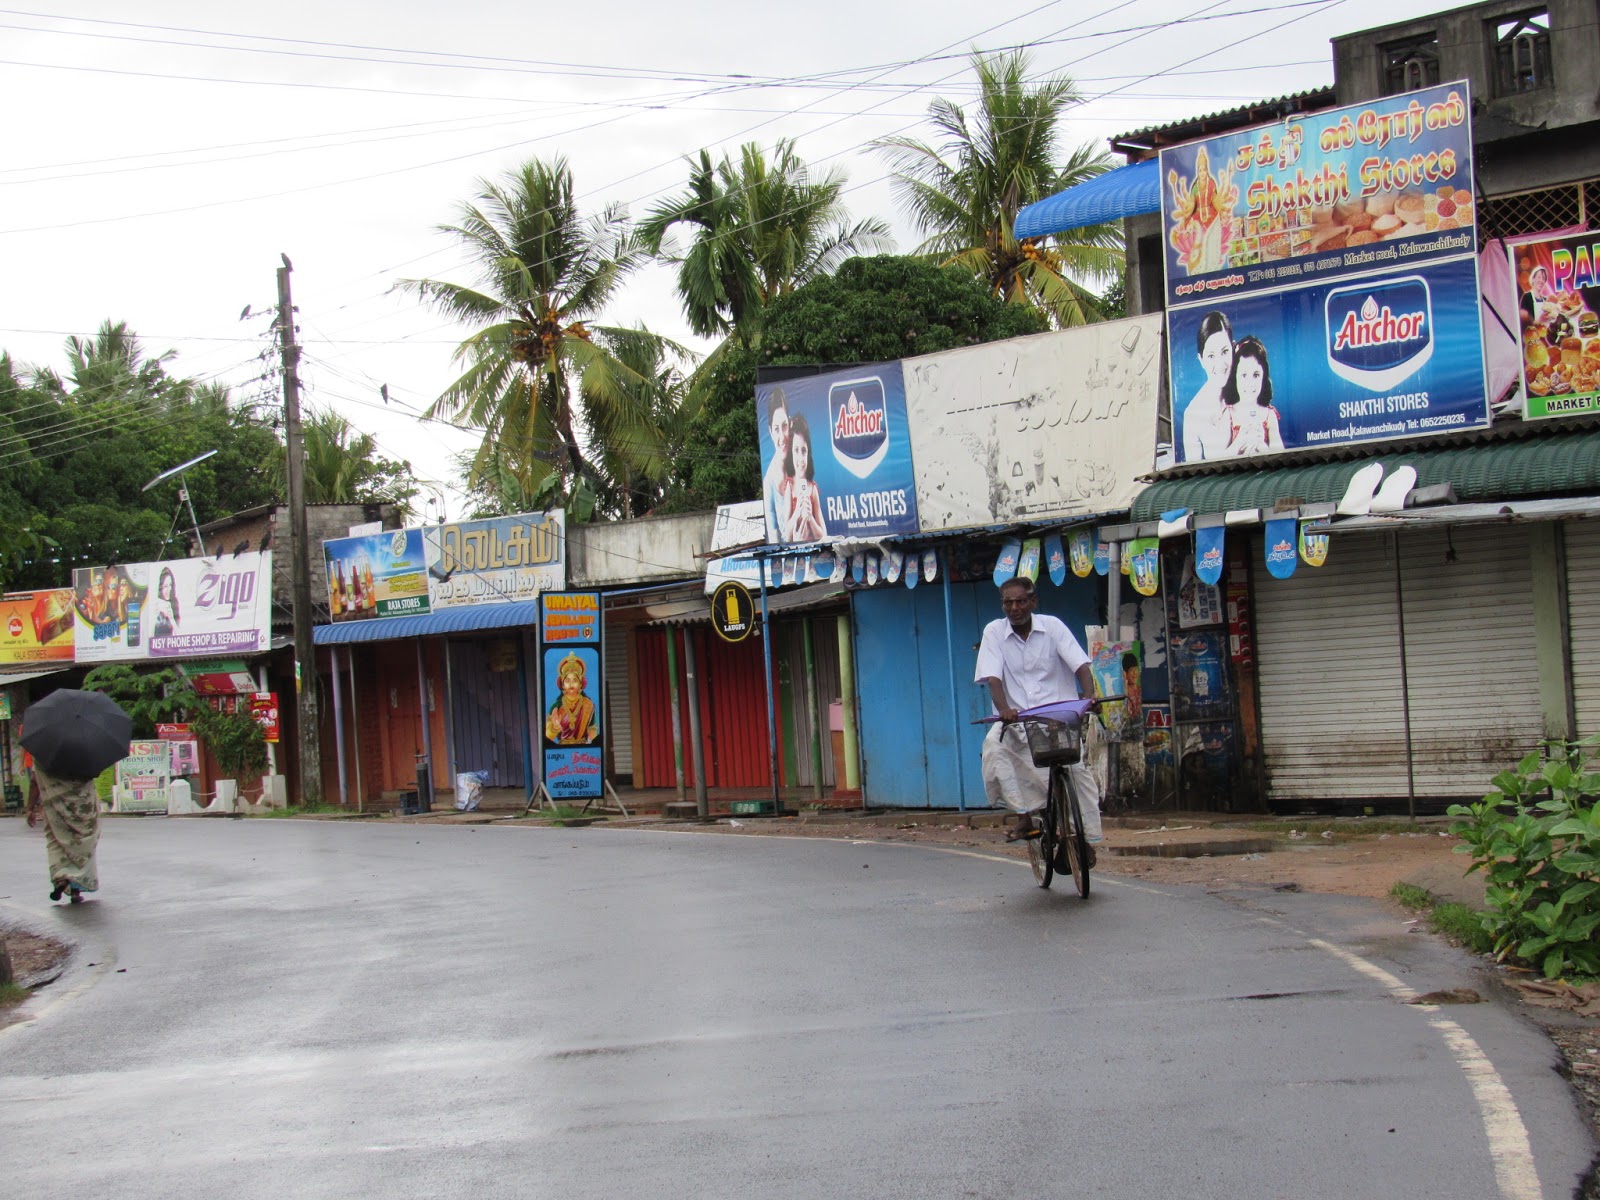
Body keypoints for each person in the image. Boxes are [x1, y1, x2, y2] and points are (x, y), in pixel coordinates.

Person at [975, 577, 1103, 851]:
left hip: (1059, 718)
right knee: (994, 748)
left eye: (1021, 601)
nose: (1014, 608)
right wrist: (1004, 710)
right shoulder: (994, 632)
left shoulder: (1053, 626)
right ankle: (1024, 816)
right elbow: (993, 679)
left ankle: (1084, 839)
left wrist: (1089, 696)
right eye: (1008, 603)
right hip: (1018, 720)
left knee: (1077, 774)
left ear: (1033, 602)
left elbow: (1081, 666)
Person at [25, 761, 101, 902]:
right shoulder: (84, 754)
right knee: (83, 844)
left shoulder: (43, 756)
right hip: (82, 807)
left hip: (54, 808)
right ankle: (75, 891)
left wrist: (30, 808)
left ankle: (61, 879)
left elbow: (34, 781)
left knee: (56, 842)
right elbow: (94, 773)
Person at [1181, 310, 1235, 462]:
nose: (1220, 364)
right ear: (1201, 360)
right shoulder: (1193, 414)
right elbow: (1194, 470)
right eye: (1211, 356)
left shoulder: (1247, 389)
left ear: (1233, 348)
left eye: (1225, 352)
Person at [1222, 336, 1285, 457]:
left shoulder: (1269, 415)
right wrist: (1240, 441)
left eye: (1256, 375)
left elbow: (1281, 456)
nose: (1250, 383)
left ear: (1263, 377)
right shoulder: (1228, 415)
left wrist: (1261, 445)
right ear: (1235, 377)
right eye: (1244, 375)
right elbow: (1219, 458)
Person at [779, 414, 827, 543]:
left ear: (808, 454)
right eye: (796, 450)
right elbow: (786, 535)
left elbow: (823, 535)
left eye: (804, 451)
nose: (800, 458)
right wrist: (797, 513)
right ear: (791, 453)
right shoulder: (789, 487)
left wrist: (810, 518)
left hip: (814, 550)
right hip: (796, 551)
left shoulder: (812, 489)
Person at [545, 652, 599, 745]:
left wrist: (591, 745)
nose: (571, 684)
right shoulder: (556, 706)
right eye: (567, 680)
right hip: (563, 749)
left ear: (581, 683)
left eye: (575, 680)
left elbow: (592, 731)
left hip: (583, 749)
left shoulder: (588, 705)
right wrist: (555, 727)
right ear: (562, 684)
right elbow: (548, 736)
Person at [762, 388, 792, 543]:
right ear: (770, 432)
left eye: (784, 426)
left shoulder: (801, 463)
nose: (782, 437)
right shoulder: (769, 483)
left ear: (790, 424)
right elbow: (773, 537)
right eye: (776, 429)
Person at [151, 566, 180, 638]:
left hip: (170, 644)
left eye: (170, 585)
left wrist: (171, 618)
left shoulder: (174, 603)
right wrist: (154, 616)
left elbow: (180, 636)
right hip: (156, 644)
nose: (169, 589)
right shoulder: (155, 603)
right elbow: (149, 636)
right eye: (165, 586)